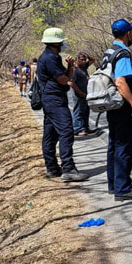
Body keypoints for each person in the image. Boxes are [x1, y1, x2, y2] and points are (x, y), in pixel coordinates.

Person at [36, 27, 87, 182]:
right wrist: (67, 77)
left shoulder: (52, 56)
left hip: (52, 99)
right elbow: (64, 80)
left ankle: (52, 168)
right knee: (66, 131)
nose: (63, 44)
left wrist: (70, 67)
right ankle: (68, 168)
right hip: (54, 100)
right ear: (56, 42)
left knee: (50, 135)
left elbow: (66, 77)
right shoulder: (50, 58)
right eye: (62, 42)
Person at [104, 19, 132, 201]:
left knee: (114, 144)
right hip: (123, 107)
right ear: (127, 33)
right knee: (125, 146)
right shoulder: (123, 54)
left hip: (113, 107)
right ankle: (123, 189)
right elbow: (120, 81)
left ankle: (114, 184)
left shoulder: (109, 51)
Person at [70, 53, 94, 136]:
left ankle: (85, 127)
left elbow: (93, 60)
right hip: (78, 94)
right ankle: (77, 129)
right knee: (78, 111)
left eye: (85, 60)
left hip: (86, 93)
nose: (84, 61)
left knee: (86, 111)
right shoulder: (74, 69)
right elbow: (71, 82)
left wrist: (87, 55)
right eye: (82, 60)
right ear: (77, 60)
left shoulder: (83, 67)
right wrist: (80, 92)